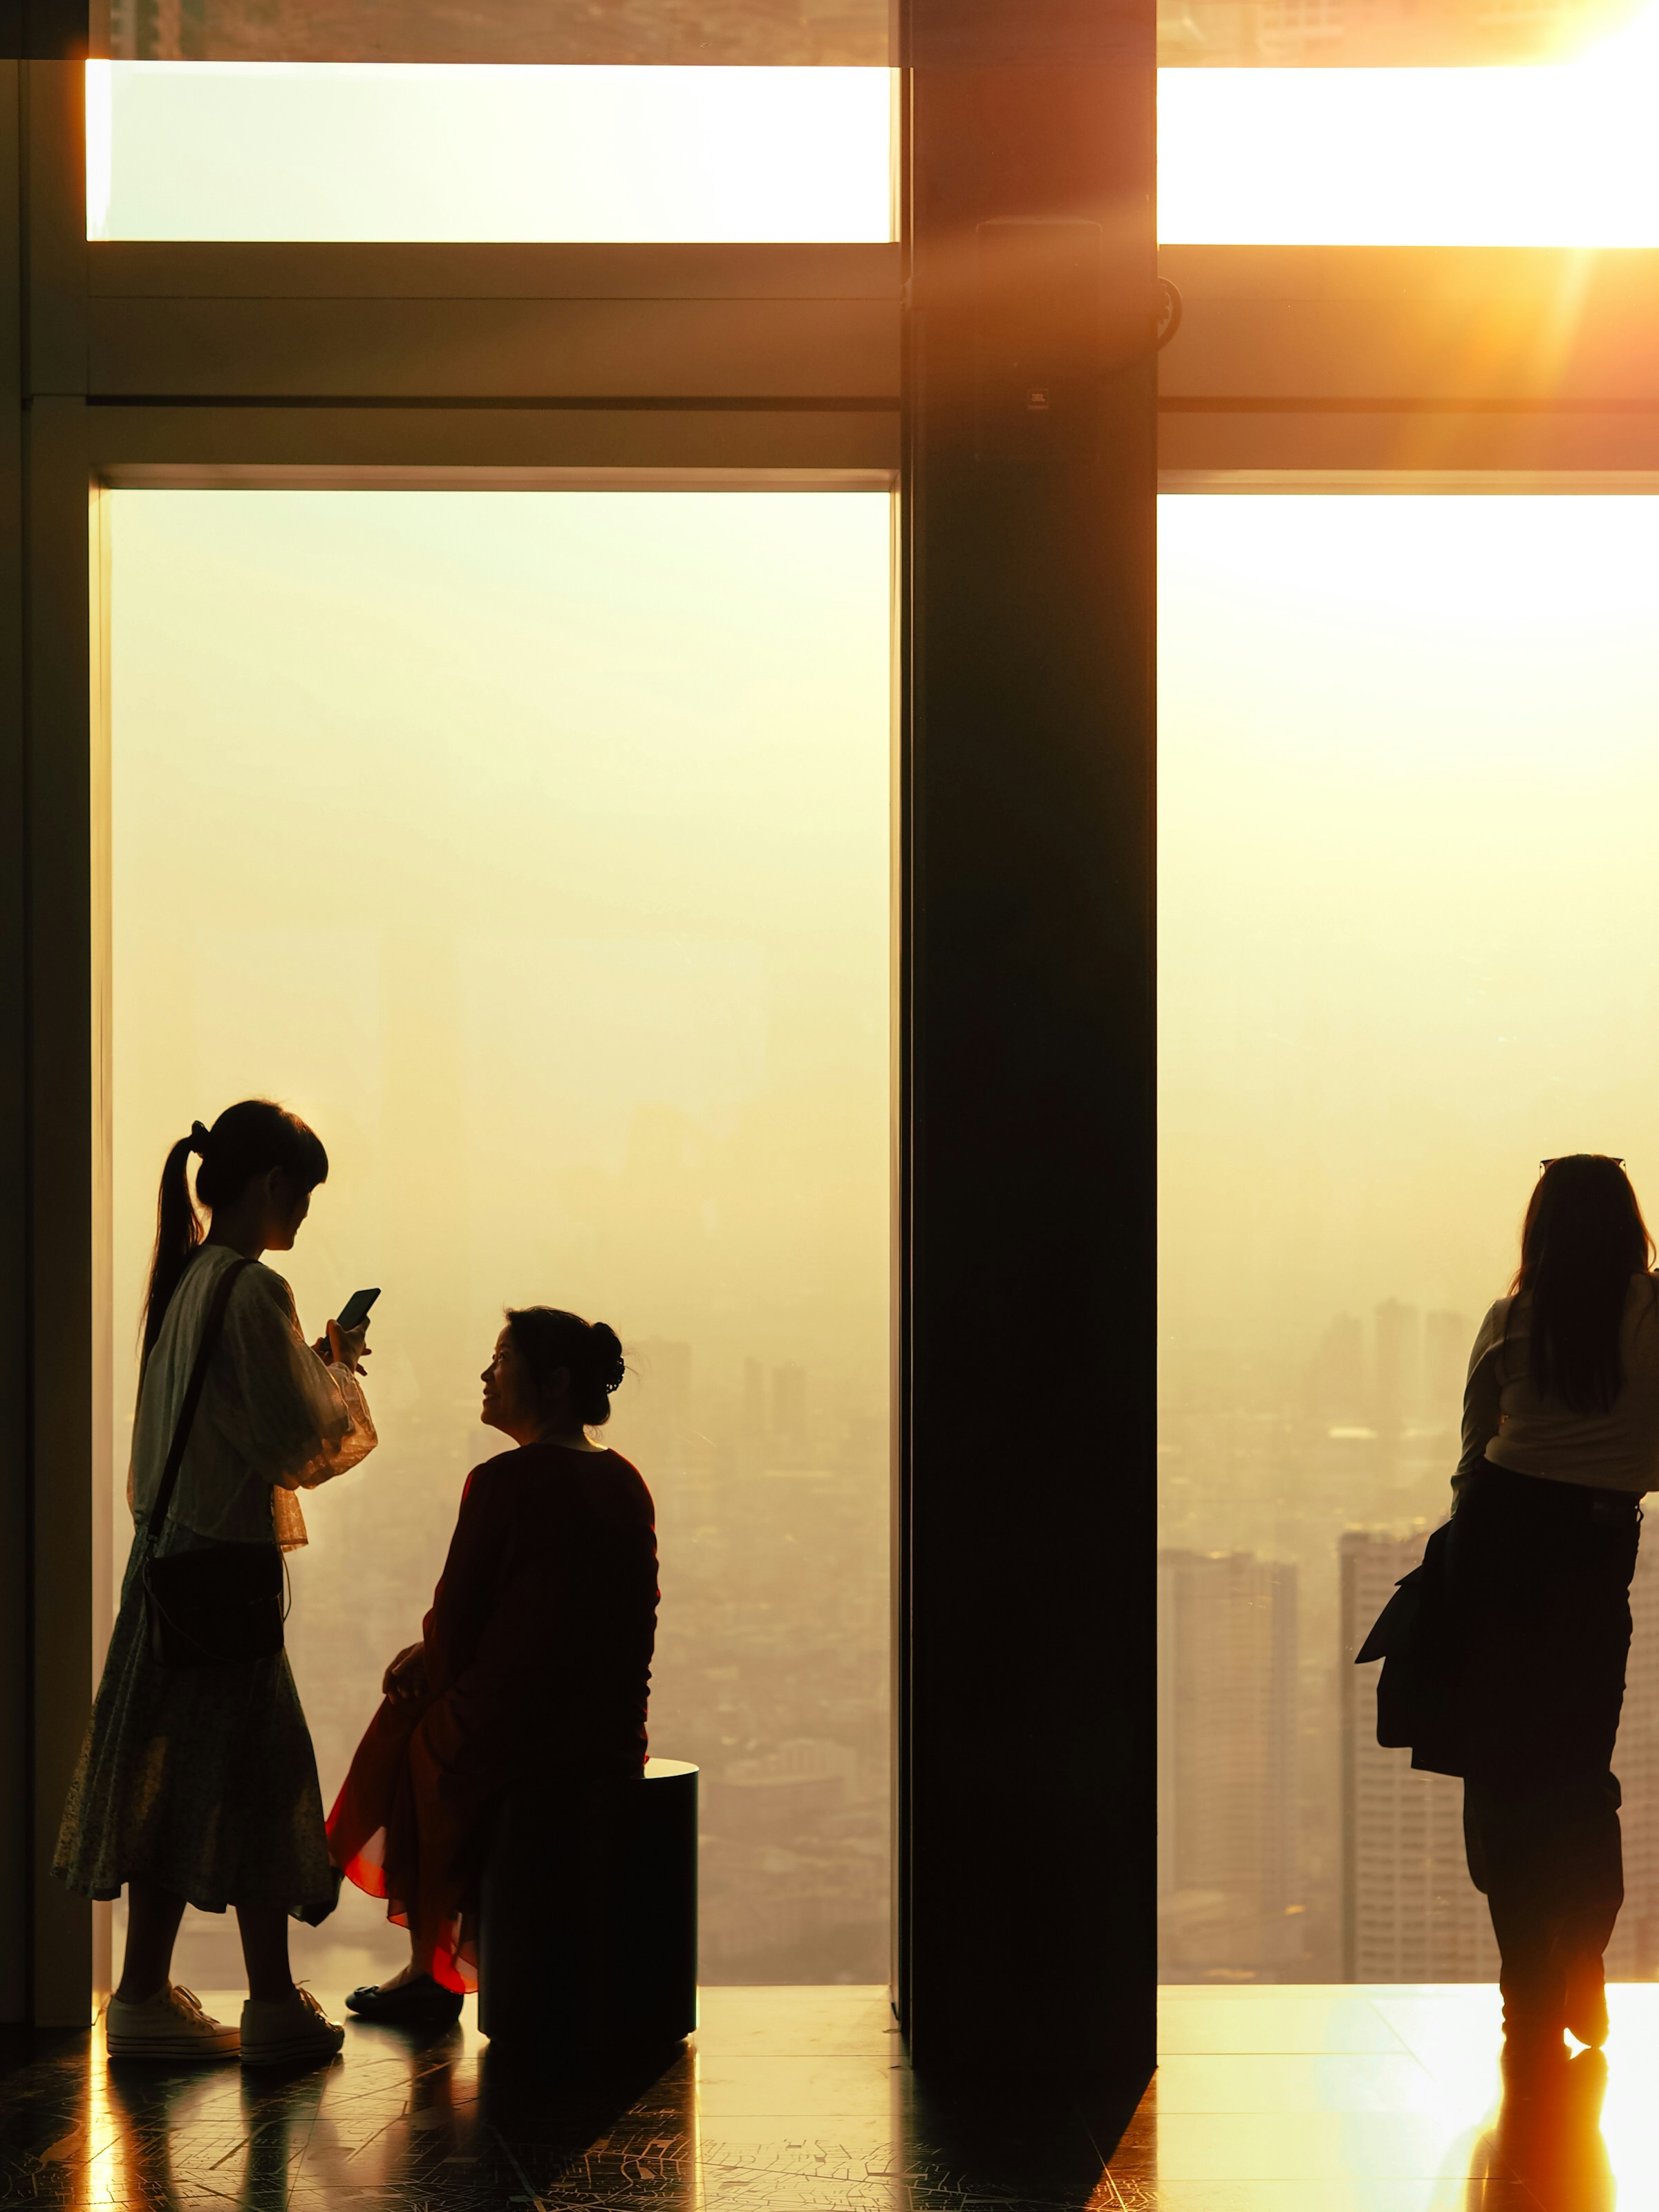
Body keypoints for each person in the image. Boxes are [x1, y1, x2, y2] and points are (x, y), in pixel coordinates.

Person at [54, 1100, 377, 2066]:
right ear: (273, 1185)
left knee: (174, 1776)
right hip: (222, 1580)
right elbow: (295, 1443)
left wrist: (311, 1367)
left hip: (163, 1568)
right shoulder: (250, 1291)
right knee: (259, 1781)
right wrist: (340, 1372)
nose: (306, 1213)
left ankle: (150, 1992)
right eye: (304, 1193)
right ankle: (270, 2004)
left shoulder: (188, 1280)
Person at [326, 1306, 657, 2023]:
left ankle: (420, 1963)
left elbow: (463, 1614)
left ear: (555, 1380)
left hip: (520, 1730)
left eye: (502, 1359)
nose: (487, 1373)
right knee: (424, 1702)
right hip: (608, 1731)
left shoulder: (505, 1479)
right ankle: (404, 1940)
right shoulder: (625, 1479)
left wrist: (426, 1659)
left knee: (412, 1730)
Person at [1452, 1153, 1659, 2069]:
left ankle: (1525, 2000)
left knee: (1504, 1780)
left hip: (1493, 1544)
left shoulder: (1509, 1321)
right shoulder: (1655, 1317)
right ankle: (1581, 1955)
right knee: (1579, 1774)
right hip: (1591, 1550)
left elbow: (1472, 1452)